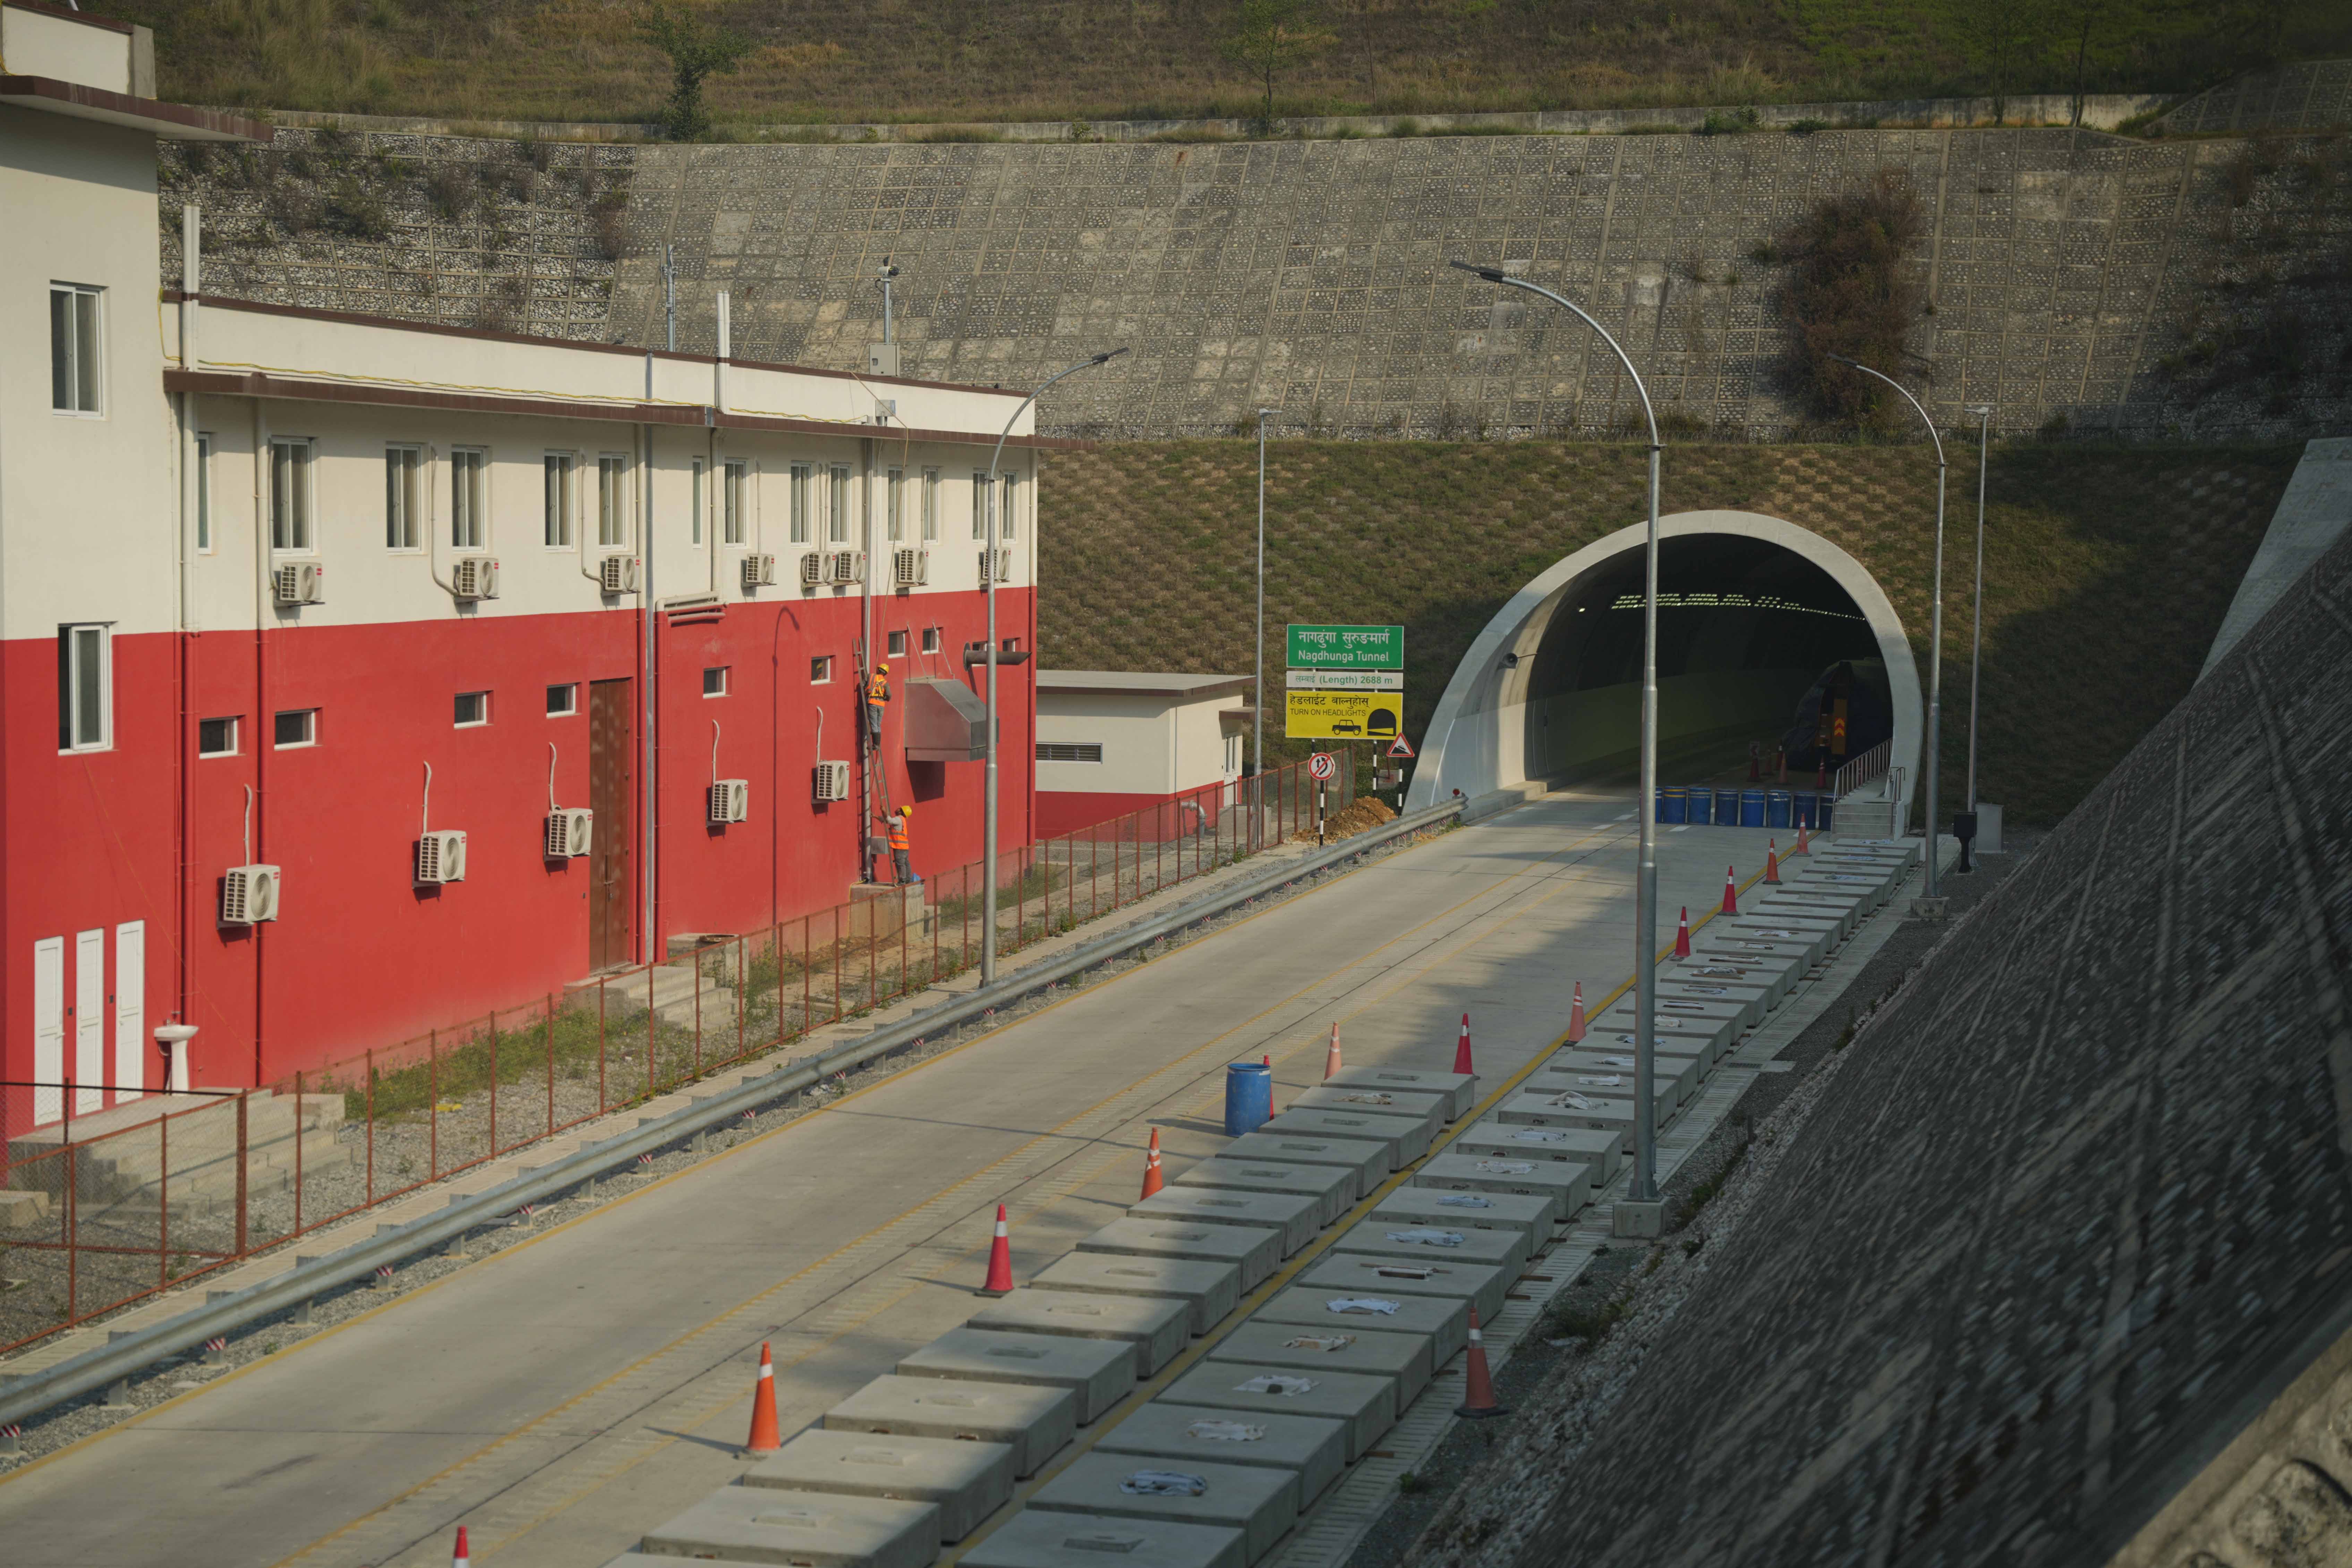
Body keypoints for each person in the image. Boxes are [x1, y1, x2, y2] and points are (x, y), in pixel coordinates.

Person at [888, 805, 919, 885]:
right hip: (905, 847)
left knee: (900, 864)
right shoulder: (903, 820)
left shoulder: (899, 819)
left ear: (902, 812)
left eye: (900, 809)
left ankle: (902, 881)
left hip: (899, 847)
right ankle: (908, 880)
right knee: (906, 863)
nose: (898, 809)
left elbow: (890, 821)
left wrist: (885, 813)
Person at [865, 662, 890, 742]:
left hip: (873, 703)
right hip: (881, 705)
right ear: (885, 674)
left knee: (874, 725)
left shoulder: (871, 676)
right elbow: (889, 696)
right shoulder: (885, 683)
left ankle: (876, 745)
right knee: (878, 725)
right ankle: (877, 745)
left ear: (878, 670)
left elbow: (863, 684)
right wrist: (884, 698)